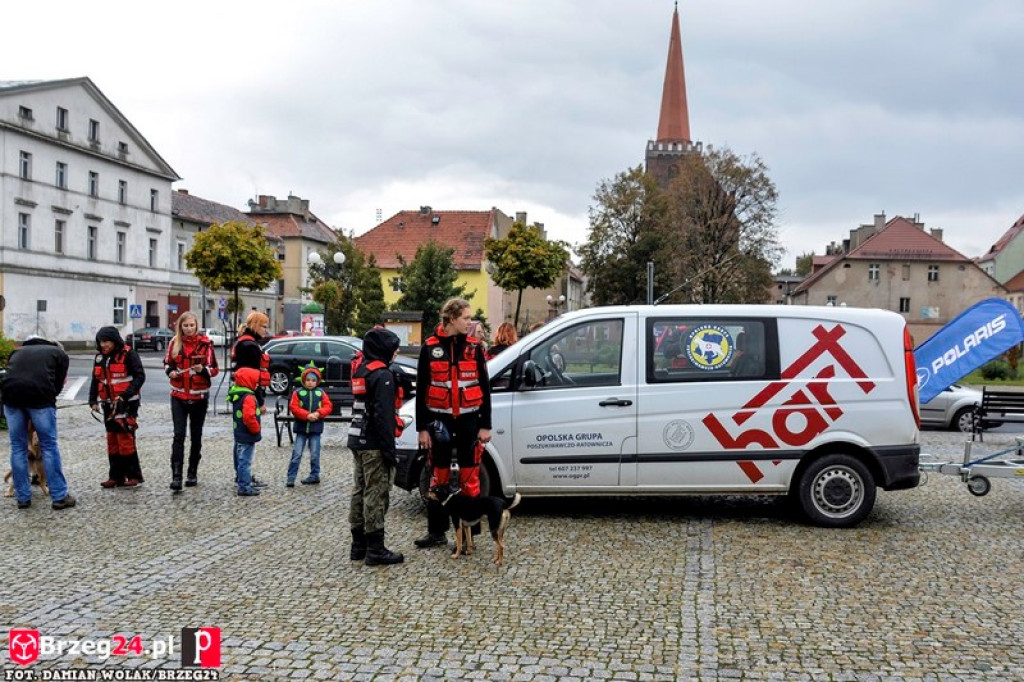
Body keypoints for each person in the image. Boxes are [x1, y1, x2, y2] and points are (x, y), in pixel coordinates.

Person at [414, 298, 492, 549]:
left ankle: (469, 537)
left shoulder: (475, 348)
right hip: (440, 422)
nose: (470, 323)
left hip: (469, 421)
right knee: (439, 477)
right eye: (466, 318)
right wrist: (422, 428)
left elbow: (485, 388)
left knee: (470, 478)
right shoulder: (429, 347)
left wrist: (486, 425)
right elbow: (421, 391)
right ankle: (436, 532)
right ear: (451, 319)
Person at [347, 327, 406, 566]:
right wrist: (389, 451)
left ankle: (358, 545)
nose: (396, 352)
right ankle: (376, 549)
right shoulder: (382, 375)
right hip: (373, 442)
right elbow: (383, 416)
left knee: (359, 490)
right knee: (376, 492)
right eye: (394, 348)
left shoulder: (362, 370)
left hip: (357, 437)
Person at [2, 335, 75, 510]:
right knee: (49, 445)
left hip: (11, 398)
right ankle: (59, 496)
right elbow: (58, 383)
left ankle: (22, 498)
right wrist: (50, 399)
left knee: (18, 447)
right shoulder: (59, 353)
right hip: (40, 399)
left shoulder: (17, 352)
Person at [164, 312, 219, 491]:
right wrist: (171, 372)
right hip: (178, 395)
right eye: (185, 326)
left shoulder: (205, 344)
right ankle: (176, 476)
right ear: (180, 327)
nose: (189, 329)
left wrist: (203, 369)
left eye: (191, 325)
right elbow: (167, 363)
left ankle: (192, 473)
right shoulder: (174, 343)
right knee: (178, 435)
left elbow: (214, 369)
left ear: (196, 326)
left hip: (199, 397)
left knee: (196, 436)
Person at [89, 326, 146, 488]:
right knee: (112, 440)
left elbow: (140, 377)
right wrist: (93, 401)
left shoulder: (129, 355)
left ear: (114, 341)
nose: (103, 345)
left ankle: (134, 475)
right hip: (108, 404)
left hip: (127, 404)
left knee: (125, 439)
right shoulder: (100, 358)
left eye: (106, 341)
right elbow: (95, 380)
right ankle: (116, 476)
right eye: (101, 342)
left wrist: (125, 396)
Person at [231, 310, 270, 487]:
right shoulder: (250, 347)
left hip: (239, 392)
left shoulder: (242, 342)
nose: (265, 330)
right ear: (255, 325)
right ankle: (243, 478)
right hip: (248, 395)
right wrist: (260, 402)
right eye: (263, 326)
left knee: (240, 438)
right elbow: (254, 378)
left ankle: (241, 475)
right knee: (246, 439)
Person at [286, 362, 333, 487]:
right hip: (301, 428)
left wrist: (318, 413)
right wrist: (306, 415)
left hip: (315, 428)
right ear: (303, 380)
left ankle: (314, 475)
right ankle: (291, 477)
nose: (310, 382)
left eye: (313, 380)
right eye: (308, 380)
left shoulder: (321, 393)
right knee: (297, 454)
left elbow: (328, 406)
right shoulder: (298, 393)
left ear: (317, 381)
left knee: (315, 454)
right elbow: (294, 407)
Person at [227, 367, 263, 497]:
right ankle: (244, 486)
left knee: (239, 458)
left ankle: (242, 480)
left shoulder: (238, 394)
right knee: (245, 461)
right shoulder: (248, 397)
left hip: (239, 433)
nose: (257, 384)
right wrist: (256, 429)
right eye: (255, 381)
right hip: (247, 434)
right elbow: (249, 417)